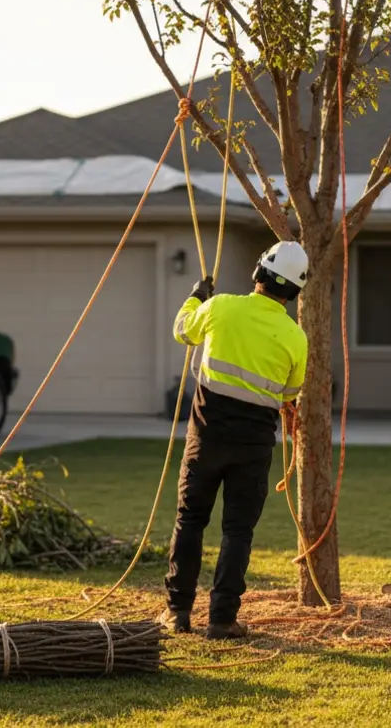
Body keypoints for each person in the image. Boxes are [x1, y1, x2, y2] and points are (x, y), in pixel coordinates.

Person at [158, 240, 310, 640]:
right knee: (237, 532)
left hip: (205, 439)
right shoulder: (296, 338)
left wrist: (195, 297)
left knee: (190, 521)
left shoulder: (220, 306)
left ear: (258, 273)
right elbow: (289, 394)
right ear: (294, 293)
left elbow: (182, 330)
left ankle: (177, 613)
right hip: (254, 447)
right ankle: (222, 620)